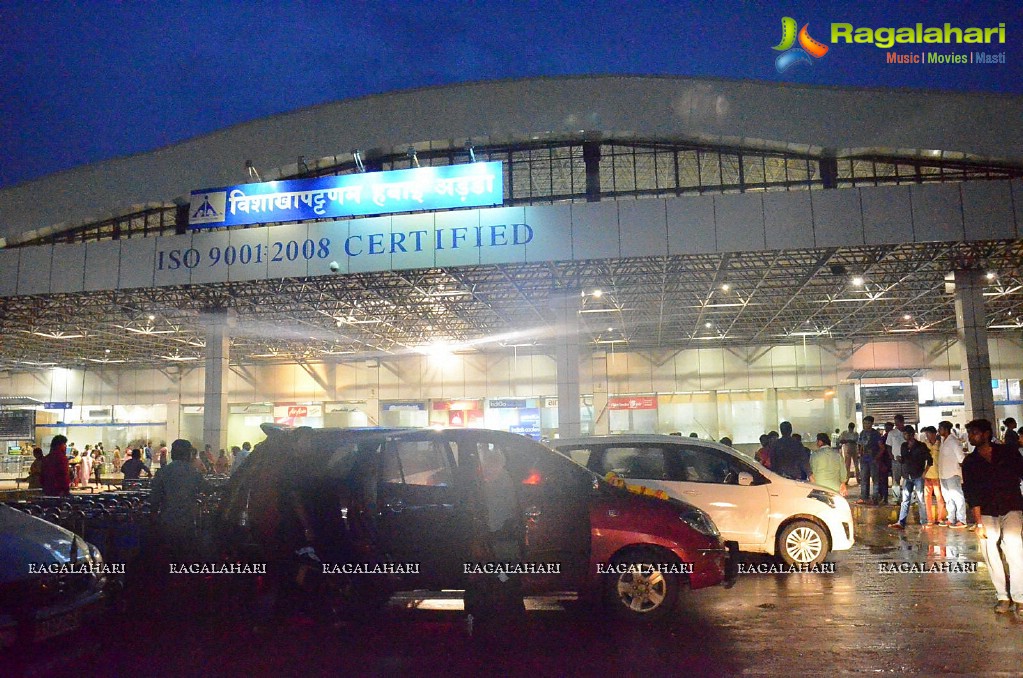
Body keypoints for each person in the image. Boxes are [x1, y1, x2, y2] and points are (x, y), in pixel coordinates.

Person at [961, 418, 1023, 616]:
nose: (971, 437)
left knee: (1015, 550)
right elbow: (971, 493)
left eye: (975, 433)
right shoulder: (970, 462)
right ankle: (1002, 596)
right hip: (986, 512)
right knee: (990, 553)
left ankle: (1020, 597)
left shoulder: (1008, 453)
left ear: (986, 434)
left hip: (1012, 506)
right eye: (970, 433)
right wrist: (978, 522)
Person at [150, 439, 206, 561]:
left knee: (168, 557)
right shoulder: (194, 473)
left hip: (167, 522)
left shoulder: (163, 472)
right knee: (186, 558)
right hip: (188, 522)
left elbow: (154, 499)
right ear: (188, 454)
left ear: (173, 453)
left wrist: (153, 518)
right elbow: (206, 490)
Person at [889, 426, 932, 530]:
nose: (905, 436)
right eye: (904, 434)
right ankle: (901, 522)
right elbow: (905, 459)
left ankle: (924, 522)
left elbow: (930, 460)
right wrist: (900, 459)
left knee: (920, 499)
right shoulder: (903, 446)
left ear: (912, 434)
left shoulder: (921, 446)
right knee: (905, 500)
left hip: (917, 475)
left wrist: (924, 473)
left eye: (906, 434)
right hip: (907, 475)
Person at [937, 420, 967, 528]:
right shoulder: (943, 441)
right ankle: (951, 518)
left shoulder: (953, 441)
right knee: (948, 497)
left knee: (957, 496)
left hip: (952, 473)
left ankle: (962, 519)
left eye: (940, 428)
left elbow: (961, 458)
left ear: (946, 429)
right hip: (943, 474)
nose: (938, 430)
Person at [920, 426, 946, 526]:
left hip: (937, 474)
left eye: (929, 434)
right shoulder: (924, 444)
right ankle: (929, 519)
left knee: (939, 497)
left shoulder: (940, 444)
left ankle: (940, 518)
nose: (927, 436)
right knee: (927, 498)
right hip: (927, 475)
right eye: (926, 434)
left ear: (934, 434)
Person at [856, 416, 883, 505]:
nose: (866, 425)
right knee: (864, 479)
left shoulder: (876, 434)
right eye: (864, 423)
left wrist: (876, 458)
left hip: (873, 459)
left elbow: (882, 447)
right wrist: (860, 454)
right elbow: (860, 445)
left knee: (875, 479)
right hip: (864, 459)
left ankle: (875, 497)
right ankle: (864, 497)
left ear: (871, 424)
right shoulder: (862, 433)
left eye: (867, 423)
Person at [886, 415, 908, 503]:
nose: (896, 424)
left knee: (907, 479)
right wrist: (891, 456)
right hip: (895, 460)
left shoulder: (907, 432)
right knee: (896, 480)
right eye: (895, 423)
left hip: (906, 460)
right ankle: (896, 497)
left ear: (902, 422)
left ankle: (907, 496)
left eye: (898, 423)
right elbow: (888, 446)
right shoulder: (892, 433)